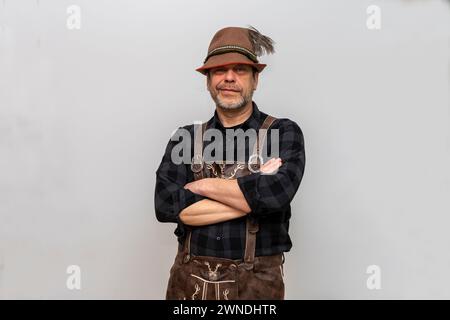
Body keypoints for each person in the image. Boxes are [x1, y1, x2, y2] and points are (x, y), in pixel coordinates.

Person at [155, 26, 306, 300]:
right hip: (188, 287)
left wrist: (202, 185)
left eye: (240, 70)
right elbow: (165, 205)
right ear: (208, 80)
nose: (229, 78)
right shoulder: (185, 138)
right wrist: (253, 197)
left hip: (257, 287)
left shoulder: (283, 132)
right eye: (219, 70)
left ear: (255, 79)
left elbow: (275, 195)